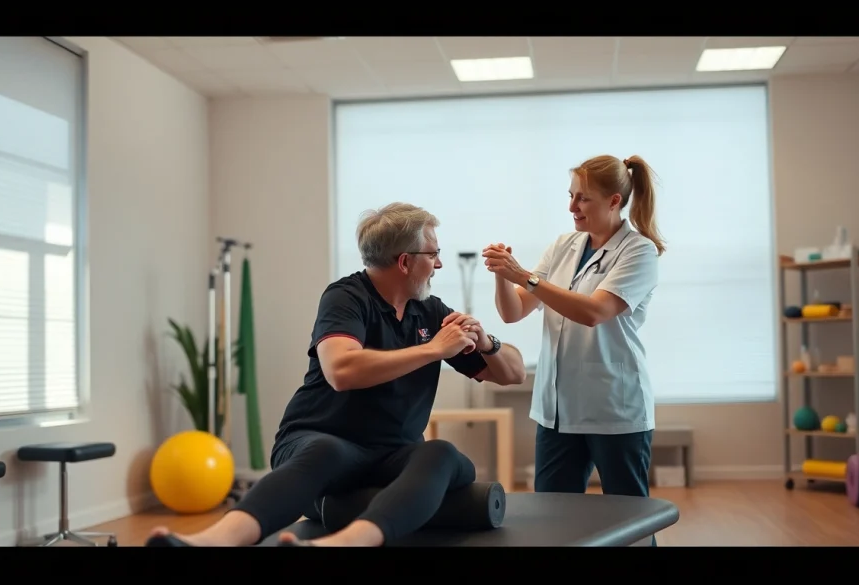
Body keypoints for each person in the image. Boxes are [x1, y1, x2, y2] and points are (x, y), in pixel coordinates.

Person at [146, 202, 527, 547]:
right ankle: (211, 542)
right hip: (320, 439)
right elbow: (342, 370)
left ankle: (348, 543)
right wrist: (433, 350)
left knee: (442, 454)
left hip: (391, 454)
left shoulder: (428, 311)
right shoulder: (346, 297)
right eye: (434, 254)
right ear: (405, 262)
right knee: (328, 451)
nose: (439, 264)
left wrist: (487, 342)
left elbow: (513, 375)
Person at [482, 154, 664, 521]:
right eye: (571, 196)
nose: (572, 207)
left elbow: (594, 312)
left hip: (614, 410)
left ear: (614, 200)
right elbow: (513, 312)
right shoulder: (565, 245)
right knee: (551, 521)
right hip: (556, 414)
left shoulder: (639, 251)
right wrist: (503, 274)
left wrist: (526, 277)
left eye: (583, 198)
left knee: (629, 523)